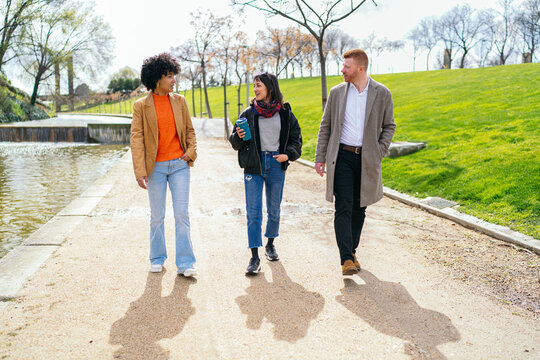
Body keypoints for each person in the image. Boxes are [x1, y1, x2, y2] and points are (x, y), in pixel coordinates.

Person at [315, 49, 396, 275]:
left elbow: (389, 126)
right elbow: (326, 126)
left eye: (347, 67)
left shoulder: (382, 93)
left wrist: (379, 151)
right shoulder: (337, 93)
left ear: (361, 68)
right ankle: (346, 259)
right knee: (343, 206)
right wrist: (320, 157)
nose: (342, 70)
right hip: (342, 157)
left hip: (368, 159)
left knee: (360, 208)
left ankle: (351, 251)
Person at [130, 53, 198, 277]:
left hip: (179, 165)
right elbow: (137, 139)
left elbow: (189, 130)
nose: (174, 80)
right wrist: (140, 172)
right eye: (169, 76)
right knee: (157, 216)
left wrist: (190, 153)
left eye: (174, 75)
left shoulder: (180, 102)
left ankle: (186, 263)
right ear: (157, 78)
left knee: (182, 214)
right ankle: (157, 258)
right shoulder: (141, 106)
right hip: (155, 168)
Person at [229, 72, 302, 275]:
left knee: (274, 210)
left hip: (276, 165)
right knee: (253, 214)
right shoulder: (248, 113)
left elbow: (297, 139)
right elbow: (235, 143)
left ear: (270, 87)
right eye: (254, 86)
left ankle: (270, 243)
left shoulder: (285, 113)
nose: (255, 89)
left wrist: (288, 155)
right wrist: (239, 136)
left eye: (259, 85)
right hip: (254, 165)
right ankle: (254, 257)